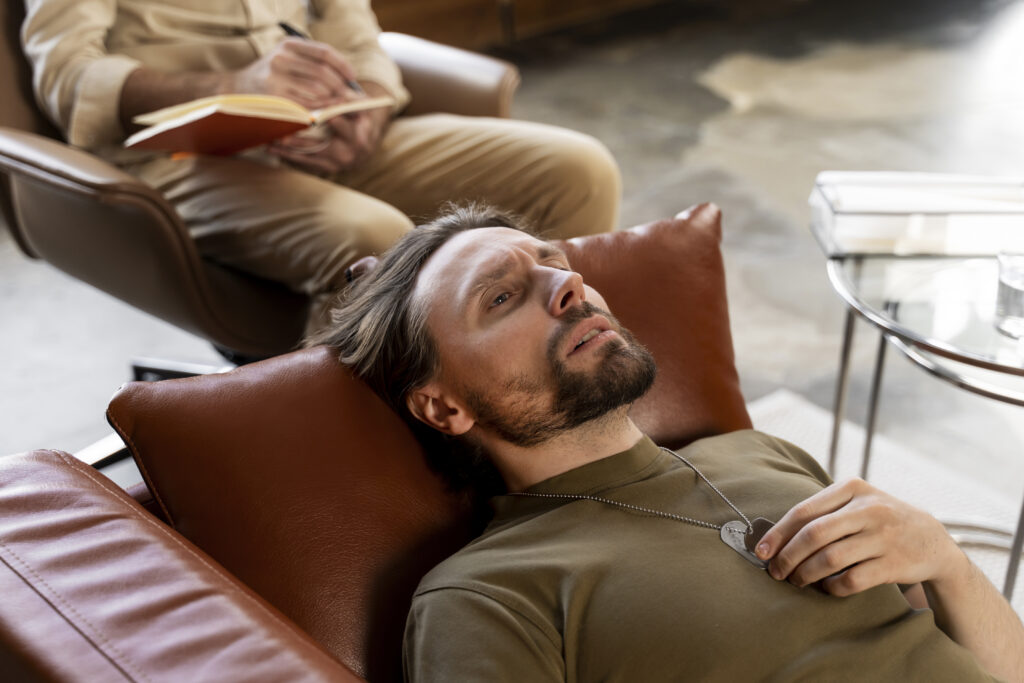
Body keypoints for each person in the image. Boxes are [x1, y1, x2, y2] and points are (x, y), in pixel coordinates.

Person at [310, 203, 1024, 681]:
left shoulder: (760, 452)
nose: (570, 285)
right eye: (500, 297)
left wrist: (947, 561)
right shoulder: (487, 594)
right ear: (443, 405)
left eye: (555, 263)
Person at [21, 0, 621, 333]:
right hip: (177, 158)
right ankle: (358, 480)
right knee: (371, 241)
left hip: (327, 137)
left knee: (578, 168)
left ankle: (551, 395)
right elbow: (67, 80)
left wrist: (372, 110)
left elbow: (359, 39)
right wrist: (234, 85)